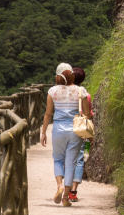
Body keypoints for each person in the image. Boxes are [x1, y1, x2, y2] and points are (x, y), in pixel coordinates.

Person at [40, 63, 90, 207]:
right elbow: (86, 114)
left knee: (57, 159)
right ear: (72, 75)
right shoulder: (81, 90)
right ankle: (66, 198)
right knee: (71, 163)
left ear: (57, 75)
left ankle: (60, 186)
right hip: (75, 130)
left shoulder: (52, 91)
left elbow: (48, 114)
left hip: (58, 129)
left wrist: (43, 132)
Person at [70, 67, 93, 202]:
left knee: (67, 158)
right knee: (79, 160)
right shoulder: (86, 95)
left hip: (69, 128)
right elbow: (88, 114)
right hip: (82, 130)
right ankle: (73, 191)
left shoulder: (66, 94)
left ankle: (64, 187)